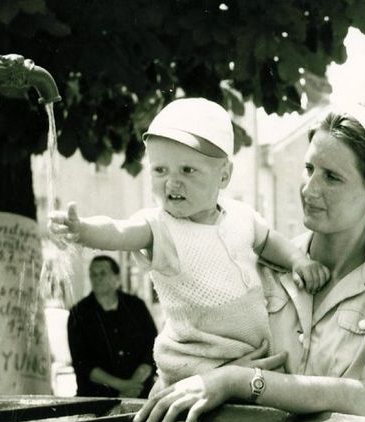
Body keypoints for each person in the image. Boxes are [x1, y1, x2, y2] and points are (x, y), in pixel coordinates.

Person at [133, 101, 365, 422]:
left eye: (332, 177)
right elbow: (180, 374)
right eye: (310, 169)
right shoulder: (251, 260)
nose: (310, 189)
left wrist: (241, 381)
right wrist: (212, 376)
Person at [49, 97, 330, 386]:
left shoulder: (241, 216)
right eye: (160, 170)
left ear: (224, 175)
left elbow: (269, 240)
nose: (172, 182)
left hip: (250, 355)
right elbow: (118, 231)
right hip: (196, 365)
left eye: (187, 170)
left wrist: (298, 261)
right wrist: (82, 230)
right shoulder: (160, 227)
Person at [67, 255, 158, 398]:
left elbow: (153, 348)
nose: (97, 278)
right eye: (93, 274)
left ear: (117, 278)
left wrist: (134, 385)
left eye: (103, 273)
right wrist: (123, 386)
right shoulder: (78, 313)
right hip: (96, 398)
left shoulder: (136, 307)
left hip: (140, 393)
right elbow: (82, 364)